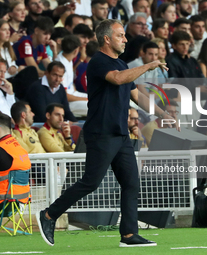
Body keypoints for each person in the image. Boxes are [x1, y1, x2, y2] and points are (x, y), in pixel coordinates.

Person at [35, 19, 175, 247]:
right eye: (121, 35)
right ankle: (49, 214)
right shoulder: (98, 62)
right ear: (107, 39)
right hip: (101, 133)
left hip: (120, 134)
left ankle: (129, 235)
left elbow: (137, 96)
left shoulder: (120, 63)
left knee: (131, 183)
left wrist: (163, 114)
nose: (126, 39)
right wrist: (147, 66)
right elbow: (118, 78)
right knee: (91, 182)